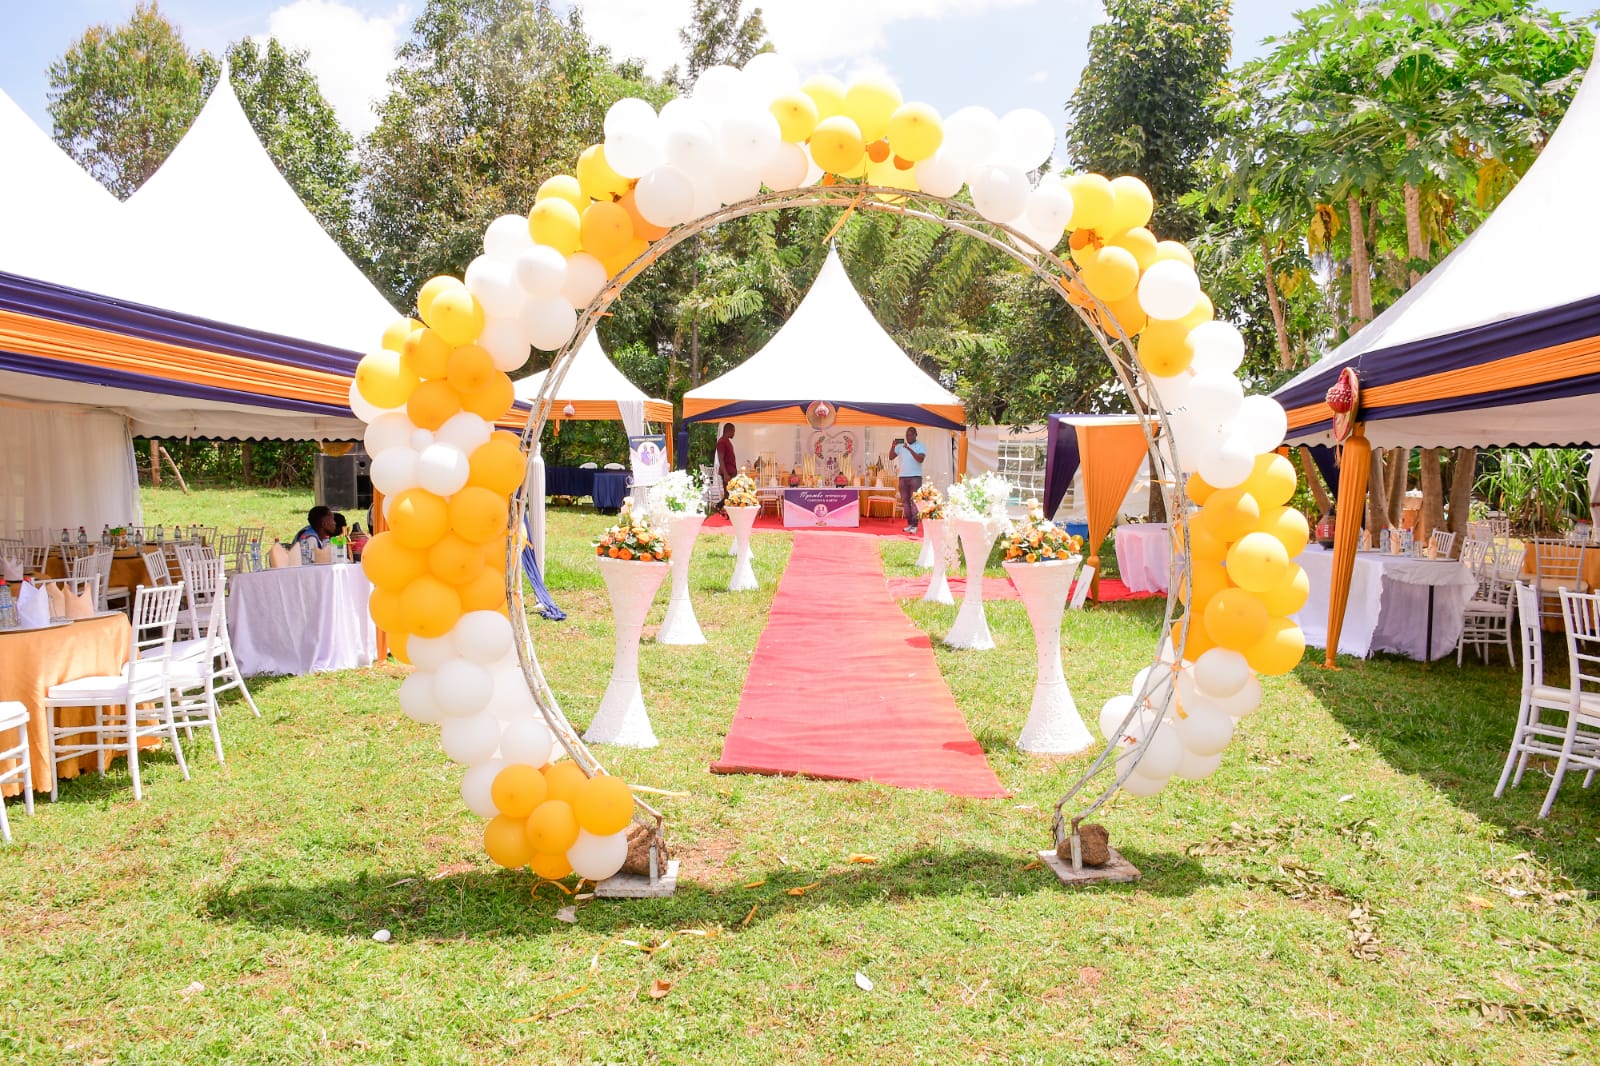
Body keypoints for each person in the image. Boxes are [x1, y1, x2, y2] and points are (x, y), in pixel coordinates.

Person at [890, 427, 926, 534]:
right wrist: (893, 447)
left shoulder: (920, 446)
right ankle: (909, 524)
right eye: (907, 435)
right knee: (905, 503)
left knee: (914, 502)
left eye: (910, 434)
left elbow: (921, 459)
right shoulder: (900, 446)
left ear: (915, 435)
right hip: (903, 478)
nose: (908, 437)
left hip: (915, 477)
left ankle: (915, 525)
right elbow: (891, 457)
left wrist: (909, 448)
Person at [715, 423, 738, 516]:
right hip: (727, 473)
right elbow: (721, 459)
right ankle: (719, 506)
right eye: (733, 431)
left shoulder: (727, 441)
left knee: (730, 494)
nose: (734, 433)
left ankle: (726, 511)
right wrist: (725, 474)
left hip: (731, 472)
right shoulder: (721, 442)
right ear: (729, 430)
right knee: (729, 494)